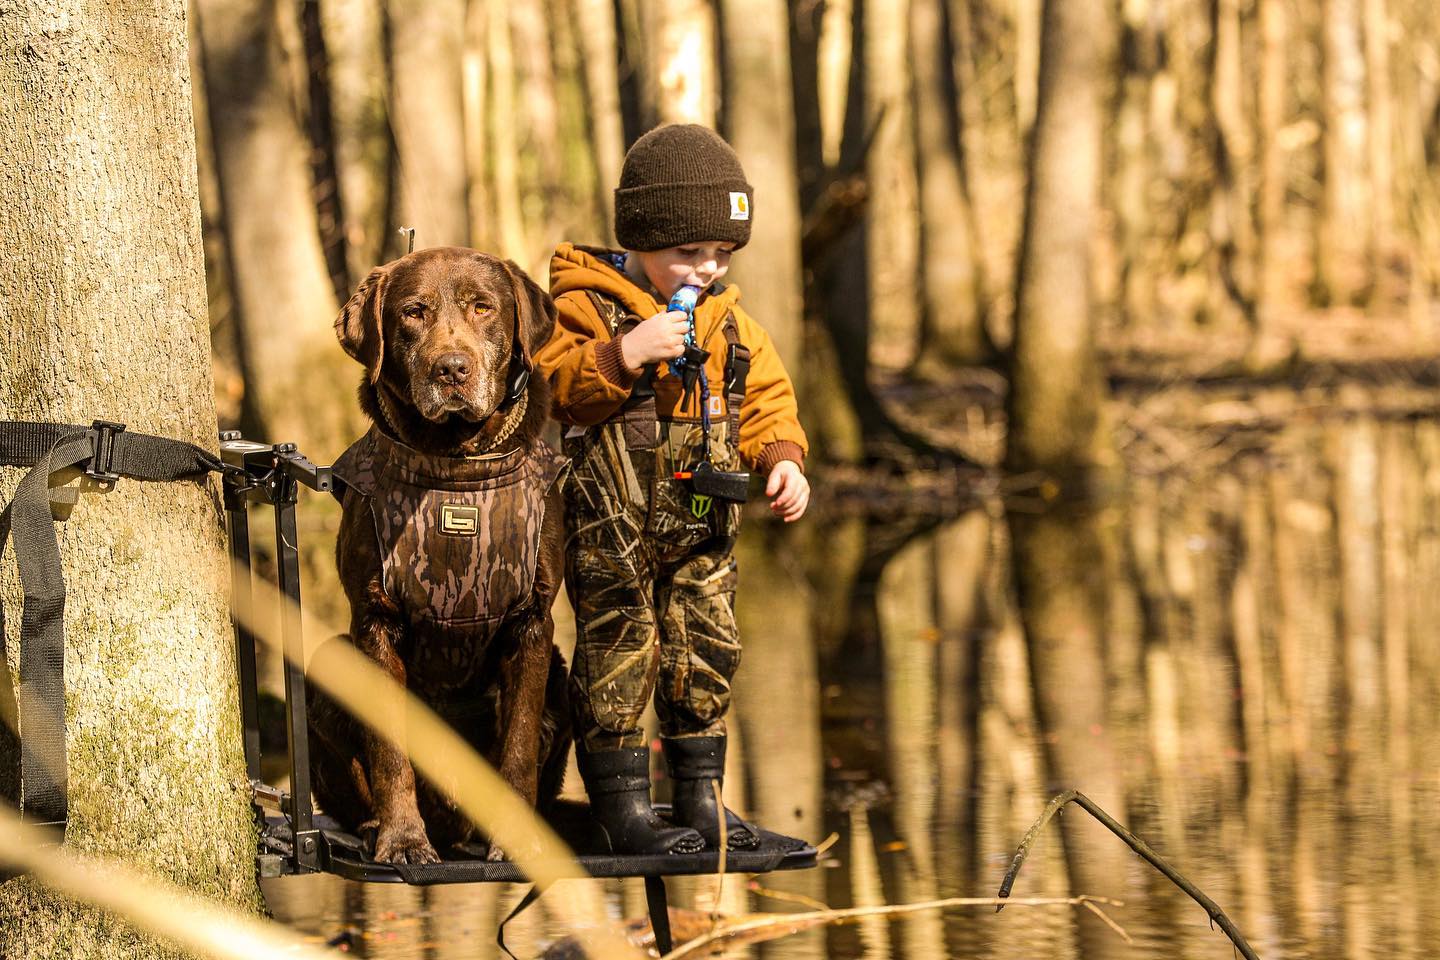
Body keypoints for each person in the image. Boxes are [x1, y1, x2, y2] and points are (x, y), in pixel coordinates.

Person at [535, 123, 810, 855]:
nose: (707, 268)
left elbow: (768, 401)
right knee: (617, 648)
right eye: (688, 252)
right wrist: (625, 353)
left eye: (721, 252)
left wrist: (783, 460)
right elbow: (555, 388)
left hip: (702, 526)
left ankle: (701, 795)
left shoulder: (730, 326)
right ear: (641, 238)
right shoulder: (584, 307)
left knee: (706, 648)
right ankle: (623, 805)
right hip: (610, 531)